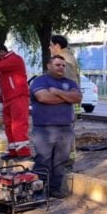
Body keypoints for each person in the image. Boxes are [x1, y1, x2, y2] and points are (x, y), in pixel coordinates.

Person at [30, 55, 81, 198]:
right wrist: (66, 97)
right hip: (44, 129)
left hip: (65, 128)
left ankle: (55, 189)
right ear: (49, 66)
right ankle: (39, 191)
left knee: (61, 160)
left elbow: (77, 98)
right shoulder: (40, 81)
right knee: (43, 160)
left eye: (63, 65)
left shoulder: (70, 82)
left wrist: (57, 92)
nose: (61, 68)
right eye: (58, 65)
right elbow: (43, 98)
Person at [0, 42, 31, 158]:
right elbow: (5, 82)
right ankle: (13, 151)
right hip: (8, 98)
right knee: (9, 125)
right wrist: (2, 99)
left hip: (18, 96)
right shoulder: (6, 62)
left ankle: (23, 152)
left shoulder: (14, 59)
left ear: (2, 51)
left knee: (18, 124)